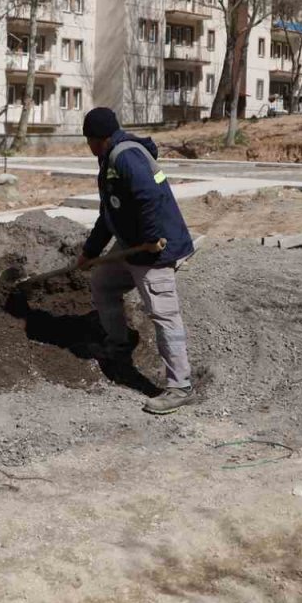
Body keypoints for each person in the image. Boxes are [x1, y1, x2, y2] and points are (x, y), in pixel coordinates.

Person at [78, 107, 197, 415]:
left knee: (163, 313)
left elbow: (150, 198)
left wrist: (151, 239)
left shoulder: (126, 156)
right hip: (132, 244)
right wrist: (90, 252)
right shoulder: (110, 159)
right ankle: (118, 344)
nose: (88, 146)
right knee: (104, 283)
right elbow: (108, 214)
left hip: (155, 248)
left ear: (97, 138)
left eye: (88, 140)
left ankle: (180, 386)